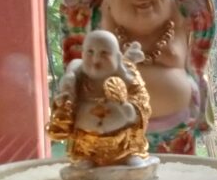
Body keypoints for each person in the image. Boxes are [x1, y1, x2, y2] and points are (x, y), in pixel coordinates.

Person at [60, 0, 215, 154]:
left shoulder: (181, 21)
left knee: (177, 176)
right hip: (108, 141)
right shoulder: (97, 26)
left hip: (175, 140)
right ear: (105, 3)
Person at [48, 30, 151, 168]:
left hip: (123, 141)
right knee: (83, 160)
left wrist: (125, 106)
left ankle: (129, 155)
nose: (96, 60)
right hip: (86, 142)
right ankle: (85, 157)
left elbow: (141, 103)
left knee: (131, 143)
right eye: (90, 52)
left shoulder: (127, 77)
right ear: (82, 54)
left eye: (104, 53)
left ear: (117, 57)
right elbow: (65, 106)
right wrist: (65, 100)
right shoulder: (77, 77)